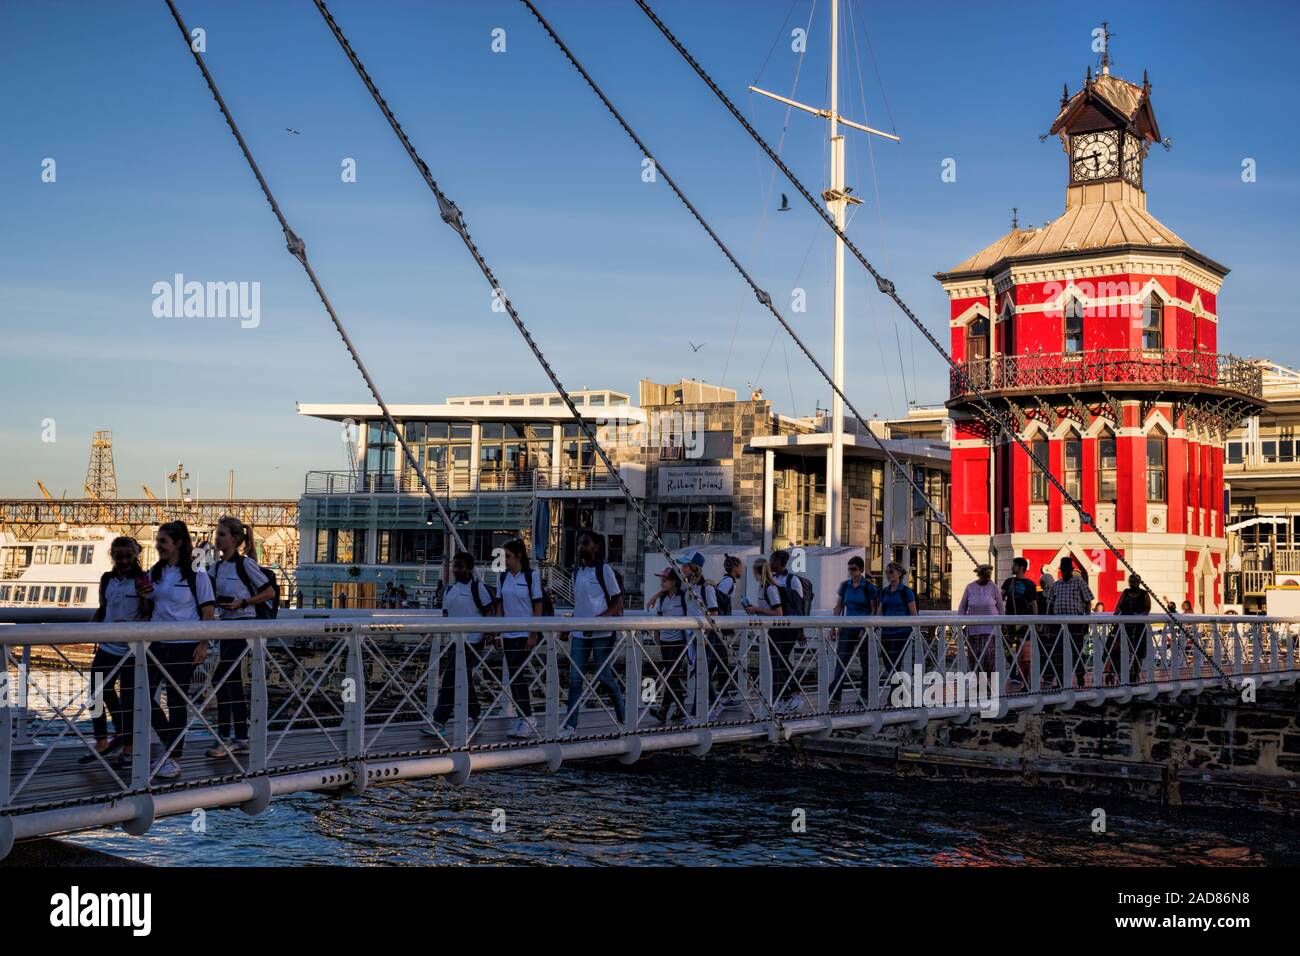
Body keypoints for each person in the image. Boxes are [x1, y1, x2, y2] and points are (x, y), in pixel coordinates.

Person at [145, 521, 216, 779]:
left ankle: (174, 758)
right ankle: (169, 741)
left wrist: (203, 644)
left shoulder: (196, 574)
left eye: (163, 541)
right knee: (141, 696)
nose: (158, 546)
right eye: (158, 541)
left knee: (176, 702)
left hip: (183, 646)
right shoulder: (156, 571)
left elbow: (208, 612)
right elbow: (149, 605)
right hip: (156, 644)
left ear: (177, 544)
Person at [205, 515, 275, 760]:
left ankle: (227, 736)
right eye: (217, 533)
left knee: (222, 677)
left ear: (235, 539)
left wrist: (243, 602)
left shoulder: (246, 565)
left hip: (244, 625)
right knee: (229, 679)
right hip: (226, 627)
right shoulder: (215, 568)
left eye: (222, 534)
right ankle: (239, 735)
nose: (217, 538)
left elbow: (269, 592)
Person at [84, 536, 151, 765]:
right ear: (112, 556)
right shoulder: (107, 579)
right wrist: (87, 630)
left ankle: (128, 747)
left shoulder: (142, 580)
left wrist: (135, 627)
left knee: (128, 699)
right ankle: (102, 739)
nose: (123, 561)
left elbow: (149, 611)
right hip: (107, 645)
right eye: (118, 556)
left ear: (134, 556)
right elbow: (103, 608)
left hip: (131, 648)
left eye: (127, 556)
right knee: (96, 692)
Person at [562, 530, 625, 737]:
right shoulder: (577, 572)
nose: (581, 547)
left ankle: (623, 717)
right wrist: (569, 625)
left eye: (586, 543)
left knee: (605, 677)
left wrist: (600, 620)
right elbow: (580, 605)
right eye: (580, 543)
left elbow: (618, 602)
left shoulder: (604, 570)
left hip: (602, 633)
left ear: (596, 546)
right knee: (574, 678)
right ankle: (570, 725)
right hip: (580, 633)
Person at [427, 551, 492, 735]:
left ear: (469, 568)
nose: (456, 570)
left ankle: (439, 720)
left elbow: (488, 610)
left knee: (451, 678)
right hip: (454, 641)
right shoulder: (450, 590)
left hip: (473, 640)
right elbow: (446, 614)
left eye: (460, 566)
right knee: (463, 679)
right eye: (454, 566)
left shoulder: (478, 588)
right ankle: (476, 715)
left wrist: (488, 632)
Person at [497, 538, 544, 739]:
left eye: (507, 556)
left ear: (518, 556)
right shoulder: (502, 578)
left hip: (524, 633)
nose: (504, 559)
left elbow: (538, 605)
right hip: (508, 632)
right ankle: (521, 716)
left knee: (517, 674)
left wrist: (533, 632)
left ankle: (528, 718)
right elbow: (499, 605)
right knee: (513, 675)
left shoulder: (531, 577)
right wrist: (498, 631)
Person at [678, 553, 726, 721]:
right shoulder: (688, 586)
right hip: (692, 635)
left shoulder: (707, 588)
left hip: (705, 636)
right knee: (700, 672)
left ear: (694, 568)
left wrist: (706, 633)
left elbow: (714, 612)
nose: (683, 568)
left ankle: (695, 713)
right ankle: (715, 703)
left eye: (686, 565)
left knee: (701, 672)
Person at [830, 555, 879, 705]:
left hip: (863, 629)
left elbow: (874, 609)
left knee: (866, 663)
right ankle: (835, 695)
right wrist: (834, 625)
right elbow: (839, 605)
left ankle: (865, 695)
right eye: (849, 569)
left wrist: (866, 628)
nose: (851, 572)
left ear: (861, 570)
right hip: (847, 628)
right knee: (841, 661)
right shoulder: (845, 585)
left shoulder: (869, 587)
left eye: (854, 569)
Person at [647, 566, 691, 724]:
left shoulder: (684, 596)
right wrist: (656, 634)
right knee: (670, 675)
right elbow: (659, 615)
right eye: (662, 580)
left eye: (665, 580)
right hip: (664, 640)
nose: (662, 583)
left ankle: (667, 709)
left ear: (673, 581)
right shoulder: (662, 598)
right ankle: (677, 709)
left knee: (671, 675)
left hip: (679, 640)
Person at [766, 549, 807, 713]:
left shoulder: (793, 580)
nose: (770, 563)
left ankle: (795, 693)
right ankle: (783, 697)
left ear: (777, 561)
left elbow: (799, 606)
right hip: (775, 626)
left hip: (789, 626)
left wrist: (800, 630)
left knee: (781, 660)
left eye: (771, 560)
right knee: (775, 661)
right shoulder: (773, 579)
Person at [1046, 556, 1093, 686]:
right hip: (1058, 624)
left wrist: (1086, 620)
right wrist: (1047, 623)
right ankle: (1061, 680)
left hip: (1075, 623)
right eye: (1063, 570)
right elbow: (1050, 604)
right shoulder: (1056, 585)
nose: (1065, 572)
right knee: (1059, 652)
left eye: (1067, 570)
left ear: (1071, 570)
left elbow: (1088, 601)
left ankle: (1079, 675)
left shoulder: (1079, 583)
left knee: (1076, 651)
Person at [958, 564, 1004, 674]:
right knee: (975, 656)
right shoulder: (970, 587)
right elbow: (963, 606)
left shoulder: (993, 587)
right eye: (985, 576)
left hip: (991, 629)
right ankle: (978, 681)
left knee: (989, 657)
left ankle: (989, 682)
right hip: (974, 629)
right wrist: (960, 623)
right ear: (980, 575)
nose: (987, 579)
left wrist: (1002, 624)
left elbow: (1000, 607)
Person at [1001, 557, 1039, 687]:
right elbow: (1000, 597)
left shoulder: (1030, 584)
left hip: (1025, 623)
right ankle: (1013, 673)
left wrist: (1036, 620)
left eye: (1014, 565)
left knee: (1023, 651)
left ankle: (1021, 675)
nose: (1012, 568)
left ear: (1021, 568)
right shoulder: (1008, 582)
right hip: (1010, 621)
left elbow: (1034, 602)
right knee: (1008, 649)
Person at [1107, 573, 1151, 684]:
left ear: (1138, 582)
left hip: (1138, 626)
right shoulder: (1126, 592)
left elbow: (1147, 609)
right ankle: (1121, 673)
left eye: (1133, 582)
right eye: (1130, 582)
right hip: (1124, 625)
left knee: (1138, 651)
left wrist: (1138, 617)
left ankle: (1136, 674)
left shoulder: (1144, 594)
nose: (1131, 584)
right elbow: (1118, 606)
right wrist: (1115, 618)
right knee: (1119, 649)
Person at [878, 562, 918, 678]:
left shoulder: (906, 592)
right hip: (886, 631)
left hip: (901, 631)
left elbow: (913, 613)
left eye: (891, 572)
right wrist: (871, 625)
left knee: (894, 661)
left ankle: (895, 691)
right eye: (886, 572)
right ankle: (900, 687)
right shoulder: (884, 592)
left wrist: (914, 628)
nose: (888, 575)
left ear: (899, 574)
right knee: (887, 661)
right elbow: (880, 611)